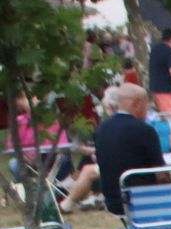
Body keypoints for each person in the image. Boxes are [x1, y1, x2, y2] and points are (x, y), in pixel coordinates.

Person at [60, 84, 163, 216]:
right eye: (146, 105)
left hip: (113, 201)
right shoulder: (145, 131)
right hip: (142, 200)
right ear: (137, 104)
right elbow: (161, 174)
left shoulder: (101, 129)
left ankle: (70, 201)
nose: (147, 110)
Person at [148, 29, 171, 113]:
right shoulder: (169, 52)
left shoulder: (154, 50)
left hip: (155, 89)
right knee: (170, 116)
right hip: (167, 90)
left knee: (162, 115)